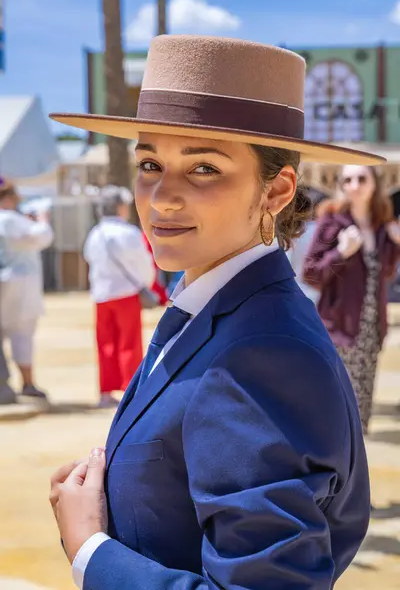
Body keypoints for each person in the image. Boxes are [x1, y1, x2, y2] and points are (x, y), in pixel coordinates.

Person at [49, 35, 385, 590]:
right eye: (150, 162)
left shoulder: (264, 352)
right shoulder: (215, 308)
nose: (161, 197)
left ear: (276, 191)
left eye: (204, 167)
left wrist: (91, 551)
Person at [303, 165, 400, 434]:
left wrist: (396, 244)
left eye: (361, 178)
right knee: (334, 405)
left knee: (361, 408)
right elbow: (310, 273)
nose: (354, 185)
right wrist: (341, 253)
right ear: (341, 186)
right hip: (339, 326)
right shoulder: (332, 223)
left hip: (371, 326)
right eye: (348, 180)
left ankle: (358, 466)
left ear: (374, 184)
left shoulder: (381, 226)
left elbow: (387, 273)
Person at [83, 186, 155, 409]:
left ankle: (105, 391)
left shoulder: (94, 233)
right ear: (120, 207)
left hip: (101, 294)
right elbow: (145, 263)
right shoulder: (129, 233)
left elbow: (88, 258)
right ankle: (128, 391)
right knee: (129, 342)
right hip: (126, 293)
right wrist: (146, 284)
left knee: (105, 343)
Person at [0, 178, 54, 400]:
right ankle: (28, 383)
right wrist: (42, 219)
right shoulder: (9, 219)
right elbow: (41, 237)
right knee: (22, 333)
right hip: (20, 282)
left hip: (5, 280)